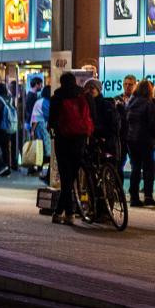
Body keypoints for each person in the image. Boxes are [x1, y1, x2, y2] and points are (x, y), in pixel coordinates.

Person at [49, 72, 93, 225]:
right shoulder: (84, 96)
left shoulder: (57, 98)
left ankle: (67, 212)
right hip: (80, 140)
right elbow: (92, 116)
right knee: (71, 177)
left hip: (63, 140)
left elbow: (52, 121)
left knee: (66, 178)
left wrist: (52, 131)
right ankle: (63, 212)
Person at [126, 80, 155, 207]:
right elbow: (153, 124)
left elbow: (126, 119)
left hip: (131, 140)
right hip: (145, 140)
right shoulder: (148, 103)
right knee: (148, 169)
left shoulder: (131, 102)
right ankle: (148, 196)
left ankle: (134, 197)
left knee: (135, 168)